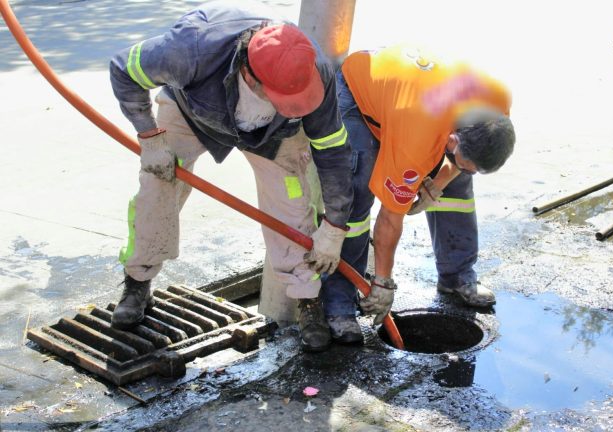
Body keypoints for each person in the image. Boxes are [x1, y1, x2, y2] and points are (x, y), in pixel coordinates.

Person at [108, 0, 354, 353]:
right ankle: (137, 281)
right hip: (194, 112)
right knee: (156, 185)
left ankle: (307, 298)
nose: (295, 99)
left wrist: (334, 226)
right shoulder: (192, 48)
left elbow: (332, 152)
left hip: (275, 134)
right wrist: (150, 136)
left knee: (292, 203)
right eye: (284, 96)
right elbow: (123, 69)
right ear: (250, 76)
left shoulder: (313, 70)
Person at [320, 44, 515, 343]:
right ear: (451, 141)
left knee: (458, 184)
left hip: (413, 99)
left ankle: (456, 275)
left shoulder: (496, 101)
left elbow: (461, 163)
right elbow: (389, 218)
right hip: (358, 96)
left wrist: (439, 182)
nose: (468, 169)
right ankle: (340, 305)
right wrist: (384, 283)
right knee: (356, 194)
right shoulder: (417, 139)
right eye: (466, 164)